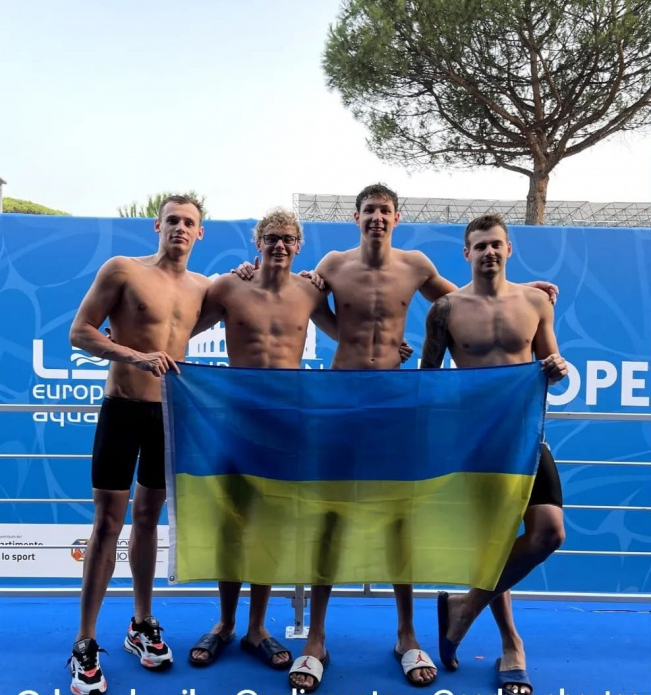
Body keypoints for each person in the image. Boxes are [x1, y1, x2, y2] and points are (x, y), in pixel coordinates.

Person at [235, 184, 558, 691]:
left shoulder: (416, 264)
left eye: (385, 211)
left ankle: (407, 635)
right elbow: (289, 296)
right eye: (369, 211)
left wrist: (521, 292)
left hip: (393, 402)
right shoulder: (334, 264)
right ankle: (315, 639)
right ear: (356, 217)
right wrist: (247, 271)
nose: (377, 218)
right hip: (341, 400)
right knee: (330, 518)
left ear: (397, 217)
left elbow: (466, 299)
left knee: (398, 519)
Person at [187, 208, 343, 673]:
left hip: (288, 421)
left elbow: (350, 330)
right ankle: (224, 624)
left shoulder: (311, 291)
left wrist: (391, 346)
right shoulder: (229, 287)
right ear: (257, 242)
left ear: (299, 246)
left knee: (270, 522)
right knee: (232, 522)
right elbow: (181, 325)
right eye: (271, 237)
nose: (279, 245)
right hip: (236, 418)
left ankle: (257, 629)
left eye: (288, 238)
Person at [67, 194, 210, 695]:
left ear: (200, 233)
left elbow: (243, 311)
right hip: (123, 409)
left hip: (167, 416)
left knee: (149, 518)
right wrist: (135, 355)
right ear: (157, 225)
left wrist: (305, 281)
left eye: (189, 222)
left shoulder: (202, 288)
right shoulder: (123, 269)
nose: (179, 227)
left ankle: (141, 623)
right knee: (107, 523)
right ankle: (84, 641)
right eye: (172, 219)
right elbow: (79, 332)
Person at [420, 213, 567, 695]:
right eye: (479, 245)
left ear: (509, 249)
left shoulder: (536, 300)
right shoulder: (444, 309)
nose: (488, 252)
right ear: (466, 254)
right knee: (494, 544)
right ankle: (511, 645)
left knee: (548, 533)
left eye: (496, 245)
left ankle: (462, 609)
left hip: (526, 434)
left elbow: (552, 361)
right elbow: (429, 378)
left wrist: (557, 366)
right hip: (474, 442)